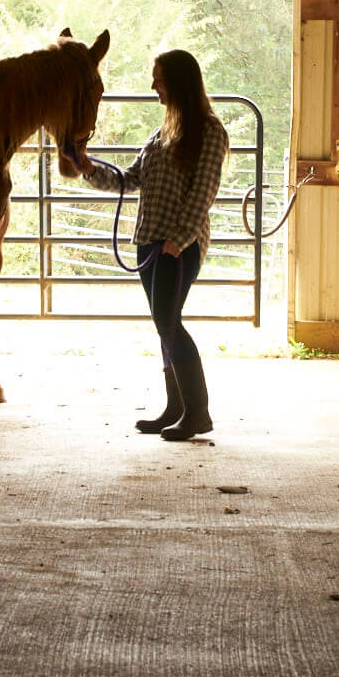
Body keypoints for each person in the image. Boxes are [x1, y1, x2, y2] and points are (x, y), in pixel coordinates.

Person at [81, 49, 230, 441]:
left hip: (177, 246)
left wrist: (178, 241)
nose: (153, 86)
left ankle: (198, 412)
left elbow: (204, 194)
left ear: (177, 82)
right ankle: (177, 407)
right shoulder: (161, 134)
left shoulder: (211, 133)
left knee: (169, 322)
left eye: (158, 78)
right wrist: (87, 168)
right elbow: (129, 180)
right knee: (164, 325)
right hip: (149, 243)